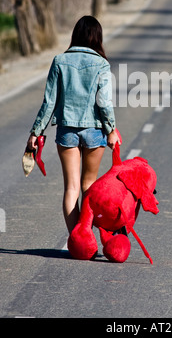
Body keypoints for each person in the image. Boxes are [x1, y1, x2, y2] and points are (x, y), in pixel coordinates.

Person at [26, 15, 120, 233]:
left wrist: (36, 131)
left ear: (75, 35)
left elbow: (49, 102)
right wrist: (112, 130)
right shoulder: (101, 64)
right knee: (89, 186)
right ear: (98, 38)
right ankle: (87, 238)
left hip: (67, 130)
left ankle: (77, 240)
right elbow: (104, 103)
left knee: (71, 188)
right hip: (95, 131)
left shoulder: (59, 61)